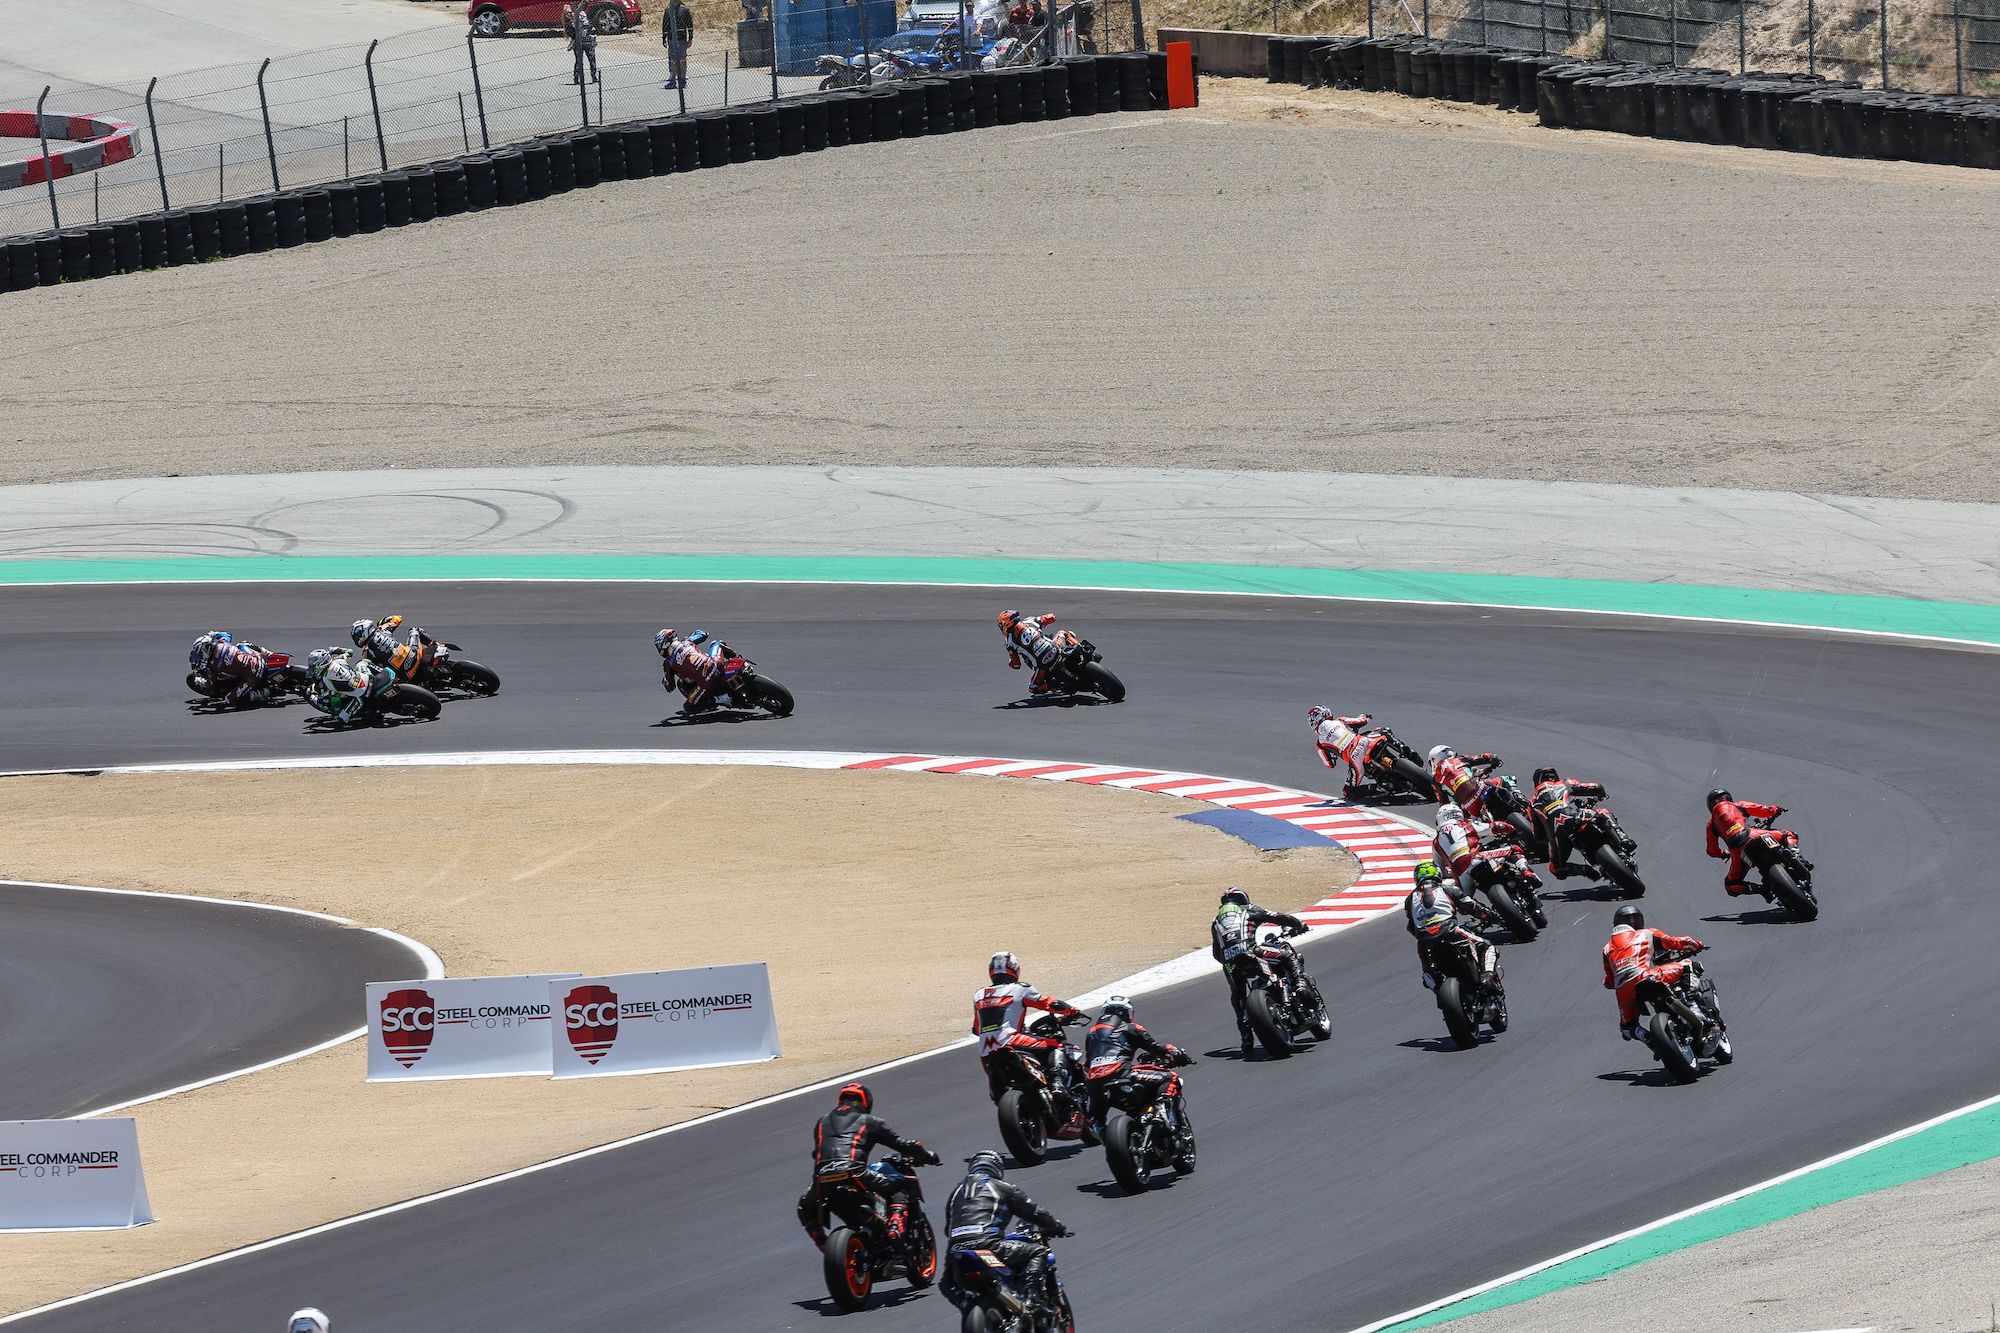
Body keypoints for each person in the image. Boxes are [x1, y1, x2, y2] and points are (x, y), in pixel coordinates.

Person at [795, 1082, 939, 1247]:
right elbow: (903, 1145)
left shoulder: (821, 1122)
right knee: (901, 1186)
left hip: (822, 1179)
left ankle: (824, 1244)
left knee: (804, 1207)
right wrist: (927, 1156)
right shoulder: (870, 1121)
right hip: (853, 1172)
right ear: (866, 1103)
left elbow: (818, 1153)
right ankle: (895, 1228)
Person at [943, 1151, 1070, 1313]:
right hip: (988, 1245)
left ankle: (965, 1305)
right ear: (997, 1168)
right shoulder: (1002, 1187)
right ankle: (1033, 1301)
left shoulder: (955, 1193)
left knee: (946, 1284)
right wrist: (1056, 1227)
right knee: (1038, 1252)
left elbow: (948, 1229)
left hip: (956, 1251)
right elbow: (1035, 1212)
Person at [972, 951, 1085, 1106]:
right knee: (1056, 1045)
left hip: (985, 1050)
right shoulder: (1020, 989)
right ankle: (1057, 1083)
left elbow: (976, 1028)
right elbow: (1049, 1003)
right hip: (1012, 1040)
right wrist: (1072, 1011)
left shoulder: (979, 995)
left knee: (997, 1097)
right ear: (1015, 969)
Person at [1211, 888, 1307, 1055]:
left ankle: (1246, 1037)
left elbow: (1216, 954)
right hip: (1252, 954)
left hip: (1230, 965)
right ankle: (1299, 984)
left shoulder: (1216, 922)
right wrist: (1298, 924)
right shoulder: (1249, 909)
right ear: (1242, 899)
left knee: (1238, 995)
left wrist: (1230, 957)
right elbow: (1278, 917)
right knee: (1286, 955)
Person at [1602, 904, 1710, 1042]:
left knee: (1627, 1028)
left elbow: (1609, 981)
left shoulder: (1607, 947)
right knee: (1689, 965)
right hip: (1645, 977)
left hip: (1622, 990)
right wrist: (1697, 944)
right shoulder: (1646, 933)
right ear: (1638, 920)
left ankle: (1648, 1039)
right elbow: (1676, 942)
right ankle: (1693, 1006)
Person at [1080, 995, 1186, 1132]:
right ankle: (1161, 1113)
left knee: (1094, 1116)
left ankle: (1104, 1136)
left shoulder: (1091, 1034)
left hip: (1093, 1083)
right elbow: (1157, 1048)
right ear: (1125, 1012)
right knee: (1170, 1078)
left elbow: (1087, 1063)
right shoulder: (1131, 1027)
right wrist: (1176, 1052)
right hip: (1121, 1074)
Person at [1404, 860, 1496, 993]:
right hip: (1450, 931)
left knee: (1427, 974)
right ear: (1438, 874)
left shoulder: (1409, 900)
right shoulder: (1447, 889)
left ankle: (1439, 991)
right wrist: (1489, 916)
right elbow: (1472, 906)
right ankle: (1488, 975)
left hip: (1424, 941)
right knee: (1487, 947)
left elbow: (1411, 926)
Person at [1530, 766, 1613, 880]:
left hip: (1559, 835)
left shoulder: (1532, 802)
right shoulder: (1564, 783)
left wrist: (1548, 835)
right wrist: (1600, 794)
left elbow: (1537, 835)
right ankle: (1623, 839)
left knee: (1556, 869)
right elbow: (1595, 787)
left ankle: (1584, 870)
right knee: (1603, 812)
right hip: (1578, 816)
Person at [1705, 788, 1786, 897]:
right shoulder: (1738, 805)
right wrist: (1776, 809)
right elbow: (1765, 810)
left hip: (1737, 850)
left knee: (1731, 886)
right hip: (1753, 834)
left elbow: (1712, 851)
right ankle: (1795, 853)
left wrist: (1724, 853)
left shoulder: (1711, 824)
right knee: (1788, 834)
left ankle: (1762, 889)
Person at [1307, 706, 1379, 798]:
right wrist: (1365, 716)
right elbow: (1361, 720)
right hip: (1363, 740)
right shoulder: (1340, 720)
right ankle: (1401, 747)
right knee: (1382, 731)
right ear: (1326, 713)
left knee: (1348, 792)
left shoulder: (1320, 744)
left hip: (1354, 756)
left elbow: (1330, 764)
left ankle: (1379, 788)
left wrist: (1333, 756)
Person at [190, 630, 276, 706]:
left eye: (201, 652)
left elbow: (212, 684)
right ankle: (269, 654)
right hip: (258, 659)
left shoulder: (214, 665)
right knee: (242, 644)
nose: (200, 655)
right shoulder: (222, 643)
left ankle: (264, 693)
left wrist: (204, 683)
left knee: (230, 700)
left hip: (253, 676)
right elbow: (228, 634)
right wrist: (215, 634)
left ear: (206, 649)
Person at [655, 626, 728, 715]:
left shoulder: (668, 663)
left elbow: (670, 687)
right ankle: (738, 659)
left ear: (665, 645)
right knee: (717, 643)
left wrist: (665, 681)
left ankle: (710, 703)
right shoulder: (687, 641)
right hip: (715, 663)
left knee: (688, 708)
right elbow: (703, 634)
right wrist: (692, 635)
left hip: (704, 682)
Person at [996, 609, 1062, 696]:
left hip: (1042, 665)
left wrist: (1011, 663)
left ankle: (1055, 685)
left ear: (1007, 622)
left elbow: (1016, 664)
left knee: (1033, 688)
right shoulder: (1029, 621)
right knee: (1063, 633)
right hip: (1054, 649)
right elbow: (1048, 618)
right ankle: (1080, 646)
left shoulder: (1009, 641)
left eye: (1002, 625)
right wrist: (1050, 617)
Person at [306, 647, 375, 725]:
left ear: (321, 664)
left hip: (361, 696)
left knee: (343, 718)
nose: (313, 667)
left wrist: (314, 698)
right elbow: (349, 651)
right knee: (362, 663)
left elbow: (330, 694)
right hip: (368, 678)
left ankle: (364, 714)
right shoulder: (337, 661)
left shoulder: (327, 678)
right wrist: (334, 650)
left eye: (313, 665)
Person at [1428, 745, 1501, 814]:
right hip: (1480, 788)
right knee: (1506, 780)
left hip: (1467, 805)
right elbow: (1482, 758)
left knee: (1467, 821)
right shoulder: (1459, 759)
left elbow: (1443, 804)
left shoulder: (1435, 781)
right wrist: (1493, 758)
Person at [350, 615, 426, 680]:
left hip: (405, 675)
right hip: (415, 657)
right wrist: (382, 621)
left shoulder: (366, 653)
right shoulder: (383, 629)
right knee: (414, 630)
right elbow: (398, 618)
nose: (357, 639)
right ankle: (435, 645)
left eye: (357, 636)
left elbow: (376, 669)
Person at [566, 3, 600, 85]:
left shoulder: (586, 15)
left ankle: (594, 76)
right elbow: (571, 31)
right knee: (579, 61)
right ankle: (576, 78)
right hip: (578, 42)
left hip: (588, 41)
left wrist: (587, 30)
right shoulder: (571, 19)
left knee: (592, 59)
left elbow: (591, 25)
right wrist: (577, 34)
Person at [662, 0, 693, 90]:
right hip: (671, 38)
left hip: (681, 38)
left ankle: (682, 80)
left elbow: (690, 24)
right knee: (673, 60)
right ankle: (673, 80)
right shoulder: (668, 10)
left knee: (682, 60)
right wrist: (664, 37)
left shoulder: (685, 10)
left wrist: (690, 38)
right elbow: (665, 25)